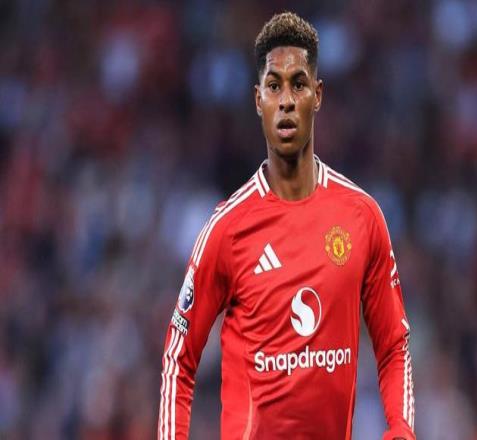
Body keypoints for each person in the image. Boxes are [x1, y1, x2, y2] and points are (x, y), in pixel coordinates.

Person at [158, 11, 415, 440]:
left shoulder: (361, 216)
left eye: (298, 84)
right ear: (257, 99)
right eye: (274, 86)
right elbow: (178, 358)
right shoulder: (228, 228)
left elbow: (394, 343)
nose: (287, 101)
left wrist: (402, 429)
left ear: (318, 94)